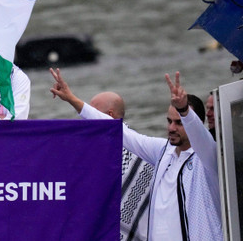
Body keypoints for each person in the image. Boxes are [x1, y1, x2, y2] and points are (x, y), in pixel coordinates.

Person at [50, 68, 223, 241]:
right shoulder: (163, 151)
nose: (171, 128)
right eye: (169, 121)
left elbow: (200, 135)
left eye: (179, 123)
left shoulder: (206, 158)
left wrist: (185, 111)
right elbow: (120, 131)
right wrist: (73, 100)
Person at [89, 91, 153, 241]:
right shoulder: (93, 152)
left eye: (91, 115)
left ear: (109, 116)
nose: (86, 122)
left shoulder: (142, 152)